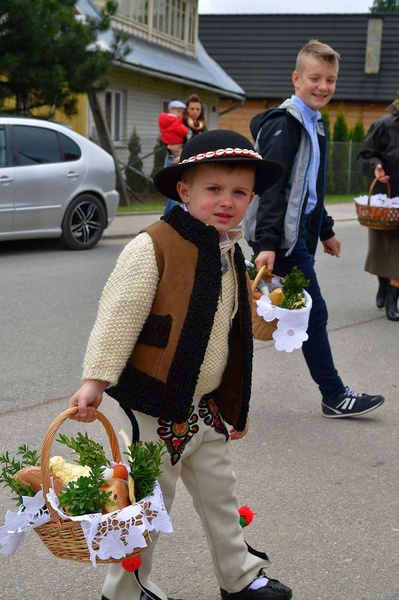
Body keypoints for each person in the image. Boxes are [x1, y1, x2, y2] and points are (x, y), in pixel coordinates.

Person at [68, 129, 292, 600]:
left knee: (221, 497)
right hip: (155, 404)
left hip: (204, 407)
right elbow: (118, 316)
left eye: (239, 192)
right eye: (213, 189)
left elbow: (234, 327)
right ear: (185, 191)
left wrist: (273, 313)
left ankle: (241, 576)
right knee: (145, 505)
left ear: (251, 197)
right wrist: (94, 380)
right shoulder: (154, 245)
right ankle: (126, 589)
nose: (227, 201)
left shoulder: (231, 250)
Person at [243, 39, 385, 419]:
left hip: (298, 233)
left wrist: (325, 231)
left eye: (330, 80)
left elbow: (309, 190)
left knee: (281, 315)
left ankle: (210, 386)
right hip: (282, 239)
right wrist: (269, 243)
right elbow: (272, 186)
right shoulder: (285, 125)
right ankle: (334, 395)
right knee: (312, 314)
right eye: (315, 78)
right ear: (296, 78)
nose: (323, 86)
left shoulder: (314, 124)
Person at [357, 91, 399, 321]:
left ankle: (393, 299)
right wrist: (376, 167)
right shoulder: (383, 126)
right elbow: (365, 156)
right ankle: (383, 284)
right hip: (387, 202)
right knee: (382, 251)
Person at [158, 100, 189, 215]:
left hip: (179, 157)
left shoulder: (169, 123)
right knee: (174, 191)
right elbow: (162, 142)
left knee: (177, 192)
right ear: (171, 111)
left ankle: (170, 218)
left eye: (182, 112)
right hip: (171, 157)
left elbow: (186, 143)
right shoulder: (177, 124)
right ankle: (167, 218)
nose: (180, 114)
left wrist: (181, 156)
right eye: (178, 111)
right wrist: (169, 146)